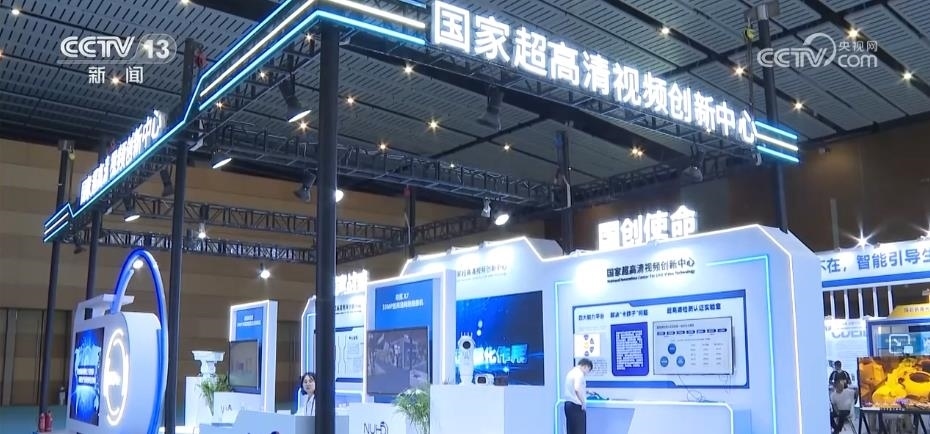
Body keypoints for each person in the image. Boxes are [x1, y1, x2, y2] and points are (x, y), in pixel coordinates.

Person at [564, 358, 592, 434]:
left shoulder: (571, 373)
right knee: (579, 431)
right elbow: (577, 389)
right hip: (576, 406)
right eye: (588, 370)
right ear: (585, 366)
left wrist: (586, 391)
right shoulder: (580, 374)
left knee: (571, 430)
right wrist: (583, 402)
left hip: (568, 405)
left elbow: (573, 388)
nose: (587, 373)